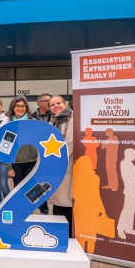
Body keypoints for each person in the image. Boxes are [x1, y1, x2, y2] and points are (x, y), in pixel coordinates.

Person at [48, 95, 73, 237]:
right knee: (57, 203)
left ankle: (68, 236)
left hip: (66, 165)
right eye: (52, 105)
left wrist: (59, 158)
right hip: (55, 166)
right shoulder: (53, 121)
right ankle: (58, 236)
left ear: (65, 104)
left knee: (67, 202)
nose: (56, 106)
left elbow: (70, 142)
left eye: (58, 103)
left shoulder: (71, 118)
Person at [5, 96, 36, 188]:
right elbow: (6, 147)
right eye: (17, 106)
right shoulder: (8, 124)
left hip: (33, 162)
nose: (20, 108)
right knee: (19, 190)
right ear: (12, 108)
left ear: (26, 107)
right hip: (16, 164)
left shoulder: (33, 122)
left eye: (23, 106)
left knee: (31, 190)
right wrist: (9, 167)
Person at [117, 148, 135, 239]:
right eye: (133, 154)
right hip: (130, 189)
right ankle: (120, 229)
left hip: (134, 190)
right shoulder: (124, 163)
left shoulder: (129, 163)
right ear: (128, 154)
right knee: (127, 209)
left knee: (132, 210)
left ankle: (129, 228)